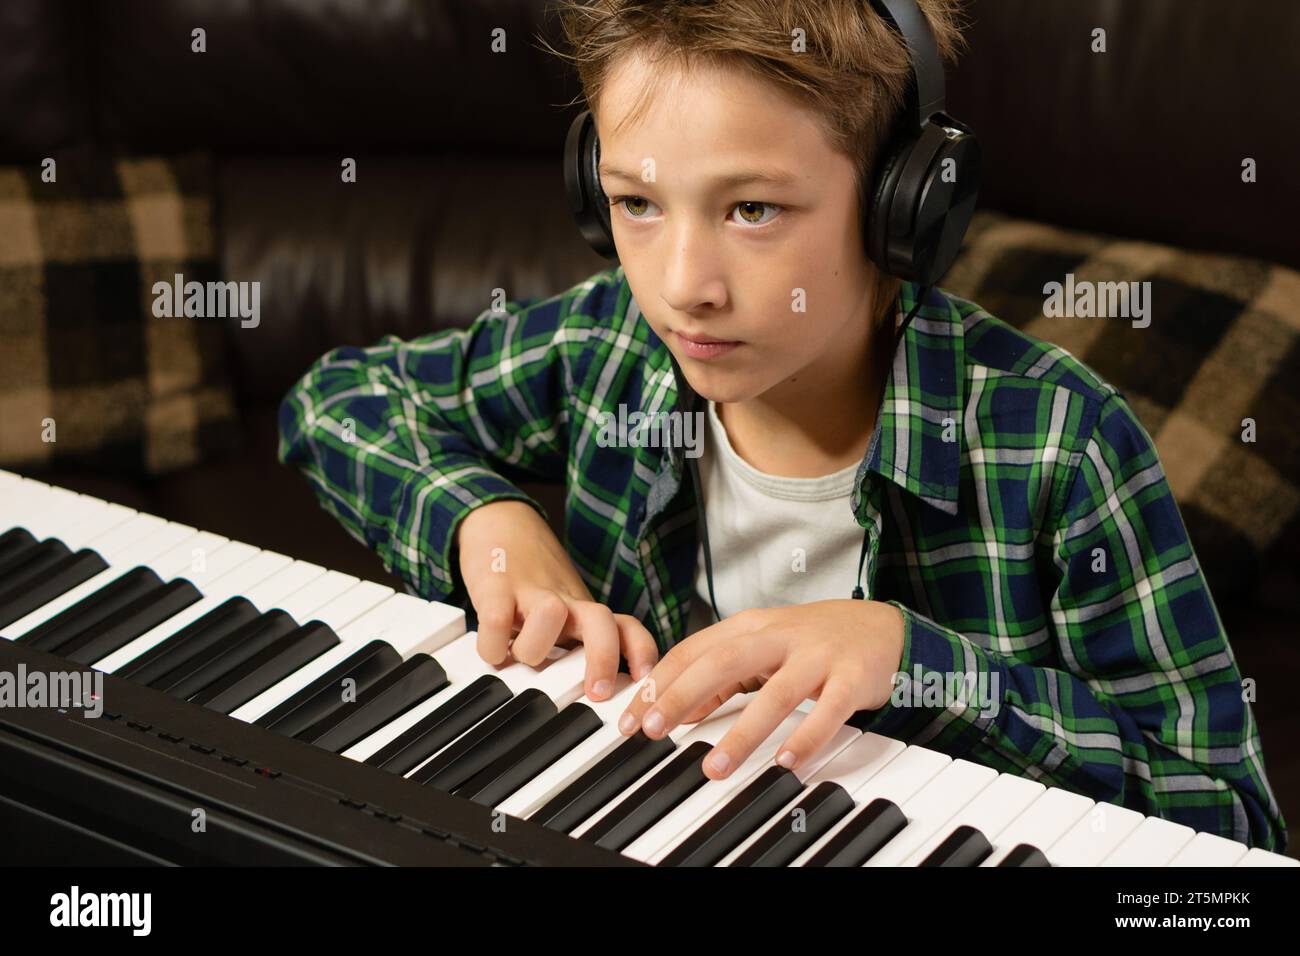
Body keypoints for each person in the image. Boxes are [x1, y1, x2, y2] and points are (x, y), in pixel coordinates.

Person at [278, 0, 1286, 850]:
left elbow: (1230, 825)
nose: (682, 288)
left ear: (903, 205)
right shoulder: (606, 348)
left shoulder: (1062, 443)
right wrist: (483, 519)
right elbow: (339, 399)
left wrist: (921, 656)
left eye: (752, 209)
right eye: (636, 202)